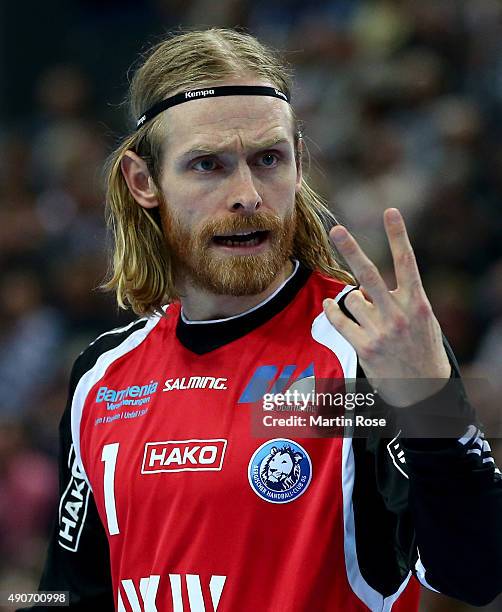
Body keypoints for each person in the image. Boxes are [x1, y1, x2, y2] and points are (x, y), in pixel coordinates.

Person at [25, 28, 502, 611]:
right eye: (208, 165)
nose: (248, 193)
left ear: (299, 163)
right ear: (144, 181)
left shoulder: (363, 353)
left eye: (268, 158)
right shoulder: (102, 377)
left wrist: (433, 409)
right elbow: (68, 595)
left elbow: (477, 572)